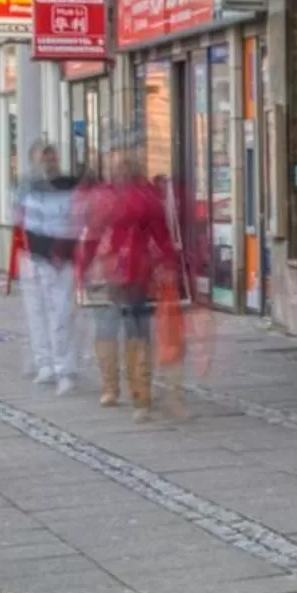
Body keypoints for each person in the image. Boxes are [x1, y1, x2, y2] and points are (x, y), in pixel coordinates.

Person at [80, 151, 174, 418]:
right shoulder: (102, 196)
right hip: (106, 269)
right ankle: (110, 385)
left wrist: (168, 264)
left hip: (136, 269)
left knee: (136, 329)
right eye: (111, 168)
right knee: (106, 328)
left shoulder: (144, 197)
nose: (114, 173)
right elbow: (90, 234)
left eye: (120, 168)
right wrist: (84, 266)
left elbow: (161, 234)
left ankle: (141, 393)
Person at [15, 144, 80, 393]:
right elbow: (21, 220)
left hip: (60, 259)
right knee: (36, 313)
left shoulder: (67, 187)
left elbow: (75, 221)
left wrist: (62, 251)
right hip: (34, 257)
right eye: (44, 158)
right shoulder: (26, 187)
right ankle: (44, 363)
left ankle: (64, 367)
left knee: (61, 314)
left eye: (52, 158)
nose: (49, 162)